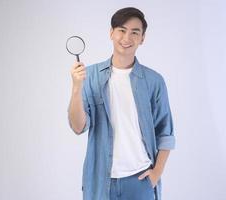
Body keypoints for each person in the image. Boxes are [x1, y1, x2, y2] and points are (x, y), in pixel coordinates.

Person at [68, 7, 175, 200]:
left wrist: (156, 173)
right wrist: (76, 88)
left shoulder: (154, 81)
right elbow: (78, 126)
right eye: (122, 30)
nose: (127, 38)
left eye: (135, 32)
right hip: (100, 181)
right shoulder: (90, 76)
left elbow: (165, 133)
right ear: (111, 33)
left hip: (140, 181)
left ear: (142, 38)